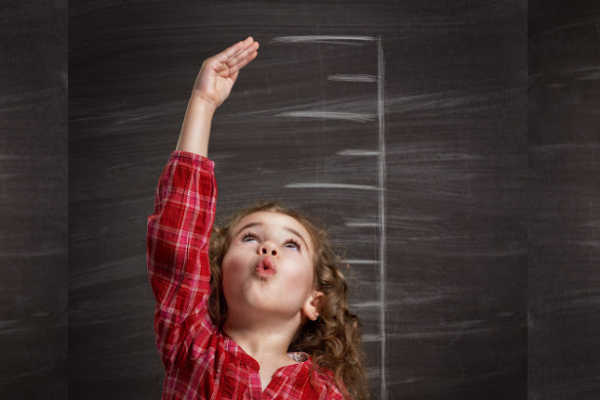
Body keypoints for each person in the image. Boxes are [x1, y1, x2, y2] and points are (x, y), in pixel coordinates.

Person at [146, 36, 370, 400]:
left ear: (315, 301)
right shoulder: (192, 345)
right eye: (249, 238)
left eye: (291, 244)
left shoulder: (325, 392)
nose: (268, 246)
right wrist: (202, 103)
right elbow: (179, 238)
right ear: (217, 278)